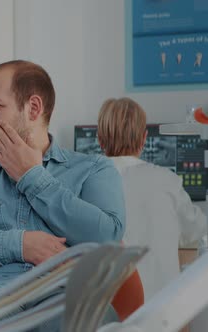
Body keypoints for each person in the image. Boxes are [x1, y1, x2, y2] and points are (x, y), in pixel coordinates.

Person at [0, 60, 125, 329]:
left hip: (66, 295)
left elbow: (108, 238)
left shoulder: (93, 170)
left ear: (33, 108)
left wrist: (32, 177)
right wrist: (17, 244)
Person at [97, 97, 208, 301]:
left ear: (99, 139)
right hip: (160, 314)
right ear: (144, 138)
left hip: (108, 316)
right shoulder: (167, 180)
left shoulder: (85, 185)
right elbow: (197, 229)